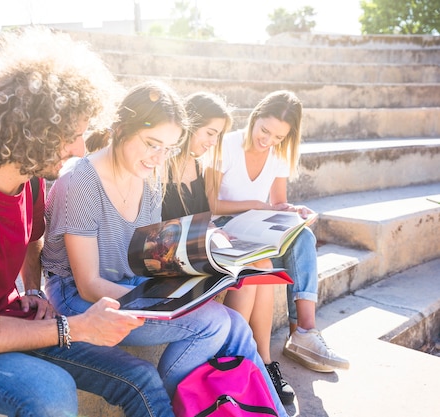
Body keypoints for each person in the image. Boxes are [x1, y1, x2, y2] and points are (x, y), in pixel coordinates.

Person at [0, 27, 177, 417]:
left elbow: (31, 239)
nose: (80, 149)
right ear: (30, 129)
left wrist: (33, 290)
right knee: (50, 391)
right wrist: (74, 328)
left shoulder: (29, 181)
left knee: (141, 377)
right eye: (70, 136)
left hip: (5, 317)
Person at [42, 81, 289, 417]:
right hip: (78, 299)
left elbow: (147, 256)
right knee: (214, 322)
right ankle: (177, 405)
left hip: (128, 284)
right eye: (151, 144)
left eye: (168, 148)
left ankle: (265, 411)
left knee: (236, 325)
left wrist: (208, 264)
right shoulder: (80, 181)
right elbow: (88, 284)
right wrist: (170, 305)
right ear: (120, 130)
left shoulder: (148, 178)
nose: (159, 158)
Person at [206, 90, 350, 381]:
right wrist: (256, 205)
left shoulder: (278, 154)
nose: (268, 141)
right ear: (255, 117)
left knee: (303, 238)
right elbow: (209, 204)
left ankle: (304, 332)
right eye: (265, 131)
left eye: (278, 138)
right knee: (265, 267)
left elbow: (277, 203)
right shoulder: (228, 145)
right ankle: (251, 358)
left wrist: (290, 212)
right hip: (221, 226)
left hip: (255, 224)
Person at [162, 91, 296, 405]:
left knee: (262, 266)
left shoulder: (194, 165)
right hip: (173, 255)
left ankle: (262, 362)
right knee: (250, 274)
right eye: (210, 133)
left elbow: (200, 218)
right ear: (189, 125)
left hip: (199, 244)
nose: (213, 142)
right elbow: (173, 224)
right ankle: (237, 363)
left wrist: (219, 237)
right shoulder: (162, 165)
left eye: (217, 135)